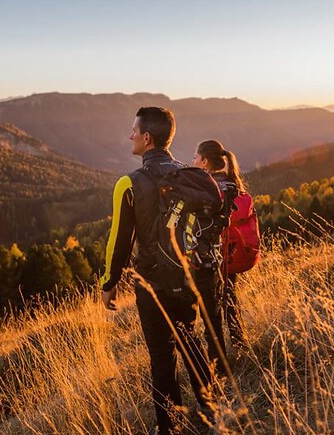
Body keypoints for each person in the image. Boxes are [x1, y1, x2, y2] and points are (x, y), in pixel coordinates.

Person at [100, 107, 213, 434]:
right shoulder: (189, 175)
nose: (130, 136)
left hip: (152, 284)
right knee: (189, 338)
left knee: (162, 356)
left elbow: (119, 240)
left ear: (147, 138)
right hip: (186, 275)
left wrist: (109, 282)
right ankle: (210, 408)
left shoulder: (129, 184)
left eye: (134, 131)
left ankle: (170, 426)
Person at [192, 140, 247, 365]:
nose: (193, 161)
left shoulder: (206, 188)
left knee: (210, 311)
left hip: (209, 256)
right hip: (231, 252)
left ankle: (217, 362)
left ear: (205, 161)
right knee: (230, 299)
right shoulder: (233, 185)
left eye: (196, 158)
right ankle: (240, 344)